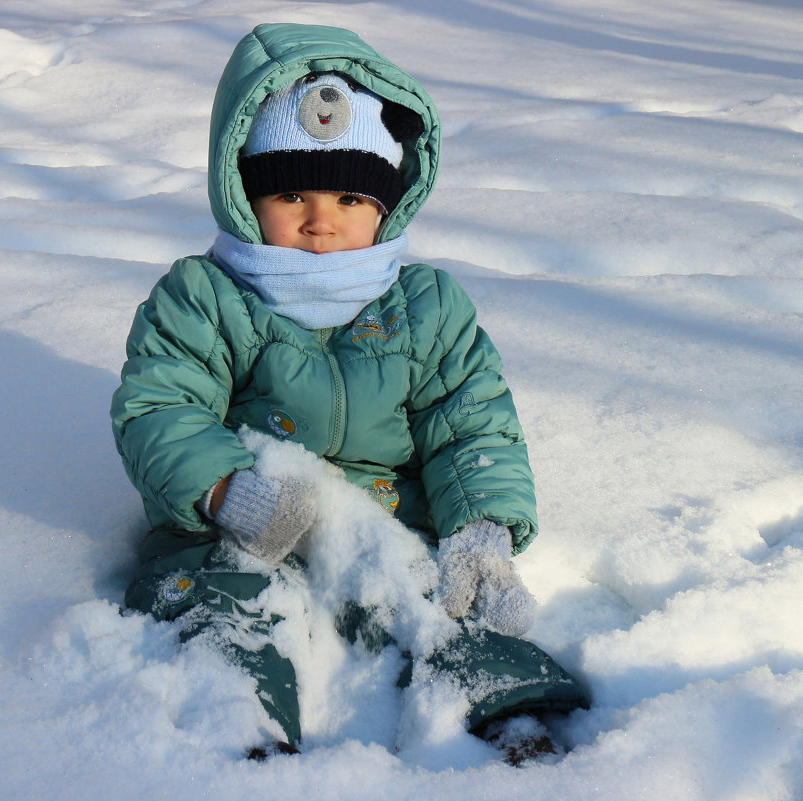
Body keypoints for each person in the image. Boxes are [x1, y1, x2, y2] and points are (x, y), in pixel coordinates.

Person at [110, 22, 589, 763]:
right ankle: (236, 722)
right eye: (291, 190)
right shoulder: (205, 296)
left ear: (387, 202)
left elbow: (469, 424)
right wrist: (225, 490)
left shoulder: (425, 305)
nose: (320, 220)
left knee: (436, 603)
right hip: (247, 522)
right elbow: (159, 407)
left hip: (381, 524)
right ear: (244, 191)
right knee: (219, 601)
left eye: (349, 195)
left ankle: (502, 713)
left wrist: (482, 527)